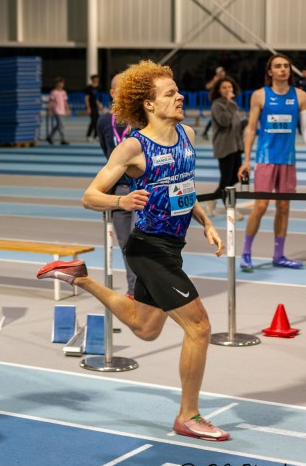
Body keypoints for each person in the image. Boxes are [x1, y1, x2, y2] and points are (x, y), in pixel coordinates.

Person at [37, 60, 229, 442]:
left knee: (146, 328)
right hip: (148, 248)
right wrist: (121, 202)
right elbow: (89, 196)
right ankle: (188, 415)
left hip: (172, 247)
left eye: (178, 90)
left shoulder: (188, 135)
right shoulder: (133, 147)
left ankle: (82, 278)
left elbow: (182, 187)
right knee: (200, 327)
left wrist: (206, 221)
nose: (180, 97)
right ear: (149, 104)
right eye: (170, 93)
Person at [237, 53, 306, 271]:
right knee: (261, 206)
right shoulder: (260, 95)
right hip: (266, 159)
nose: (283, 69)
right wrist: (246, 161)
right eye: (278, 66)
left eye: (286, 66)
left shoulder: (301, 96)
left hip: (288, 160)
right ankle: (246, 254)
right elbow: (250, 130)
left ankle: (279, 255)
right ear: (270, 71)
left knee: (284, 208)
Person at [95, 72, 136, 297]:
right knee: (127, 245)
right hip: (118, 192)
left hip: (141, 191)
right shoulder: (104, 122)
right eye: (122, 87)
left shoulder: (141, 120)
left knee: (142, 243)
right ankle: (133, 291)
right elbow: (108, 155)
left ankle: (147, 291)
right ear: (112, 93)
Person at [203, 77, 244, 217]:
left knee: (236, 177)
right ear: (219, 90)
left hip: (235, 147)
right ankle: (230, 209)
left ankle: (212, 198)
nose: (228, 90)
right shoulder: (217, 105)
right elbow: (224, 122)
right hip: (225, 147)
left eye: (230, 87)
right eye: (224, 87)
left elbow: (235, 127)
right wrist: (230, 104)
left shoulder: (231, 105)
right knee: (226, 180)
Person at [201, 67, 227, 139]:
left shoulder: (225, 80)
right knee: (216, 116)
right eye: (220, 72)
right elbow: (207, 86)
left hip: (224, 101)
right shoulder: (216, 80)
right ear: (217, 73)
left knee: (220, 116)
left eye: (223, 71)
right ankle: (207, 132)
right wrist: (214, 81)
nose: (222, 73)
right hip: (217, 101)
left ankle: (206, 132)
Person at [46, 77, 70, 145]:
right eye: (60, 83)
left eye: (62, 83)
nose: (61, 84)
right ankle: (63, 139)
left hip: (62, 110)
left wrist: (67, 109)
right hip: (56, 110)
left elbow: (65, 101)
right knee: (61, 125)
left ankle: (50, 136)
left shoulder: (64, 92)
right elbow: (51, 101)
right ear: (56, 84)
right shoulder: (54, 92)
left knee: (58, 125)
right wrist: (50, 110)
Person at [85, 74, 102, 141]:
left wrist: (99, 105)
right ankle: (89, 135)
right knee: (93, 121)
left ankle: (96, 135)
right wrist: (88, 108)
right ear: (92, 79)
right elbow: (86, 99)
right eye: (95, 78)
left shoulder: (98, 88)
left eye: (97, 78)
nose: (97, 80)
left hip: (96, 107)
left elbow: (96, 99)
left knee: (97, 121)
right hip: (91, 107)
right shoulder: (89, 88)